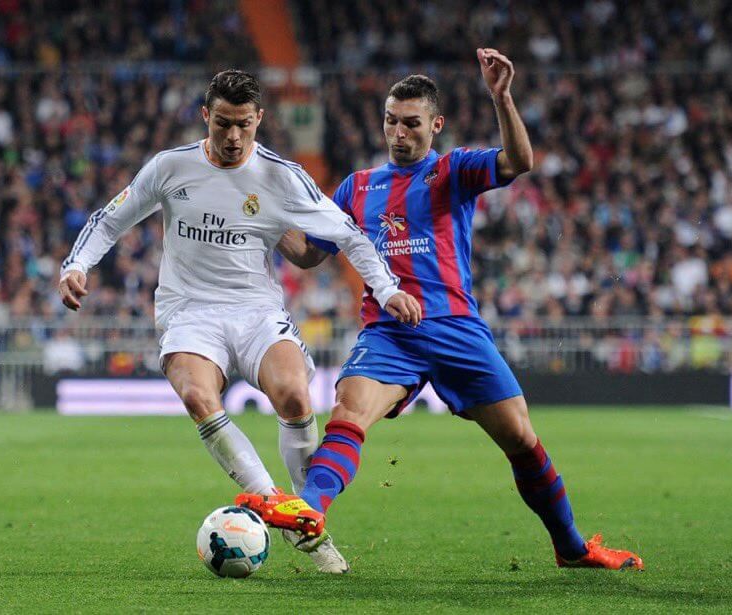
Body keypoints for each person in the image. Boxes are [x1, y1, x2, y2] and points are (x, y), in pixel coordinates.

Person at [237, 50, 643, 570]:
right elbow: (309, 253)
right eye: (391, 120)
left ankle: (571, 547)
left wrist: (501, 97)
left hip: (456, 329)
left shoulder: (455, 169)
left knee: (521, 439)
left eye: (411, 123)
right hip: (388, 332)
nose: (398, 132)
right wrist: (263, 217)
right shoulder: (356, 187)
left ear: (436, 125)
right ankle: (310, 509)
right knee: (349, 411)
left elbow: (519, 161)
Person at [58, 70, 422, 574]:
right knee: (197, 396)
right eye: (223, 124)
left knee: (294, 395)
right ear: (205, 116)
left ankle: (308, 516)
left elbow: (349, 234)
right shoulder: (170, 167)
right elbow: (110, 219)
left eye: (244, 125)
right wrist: (76, 265)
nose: (233, 137)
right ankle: (280, 510)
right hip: (189, 311)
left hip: (256, 311)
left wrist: (387, 289)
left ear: (259, 120)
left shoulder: (280, 176)